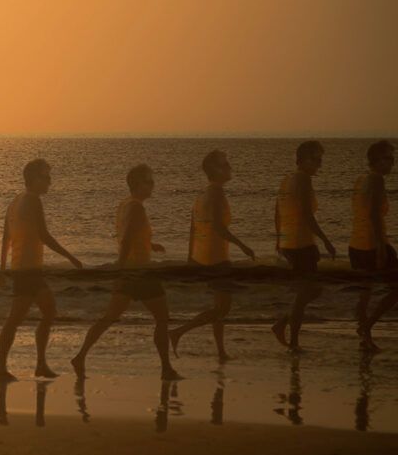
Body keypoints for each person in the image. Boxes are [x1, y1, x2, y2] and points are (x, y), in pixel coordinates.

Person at [71, 164, 181, 381]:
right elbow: (128, 238)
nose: (152, 185)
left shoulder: (126, 205)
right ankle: (166, 369)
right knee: (162, 318)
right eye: (148, 181)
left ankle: (80, 356)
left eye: (152, 180)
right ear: (137, 184)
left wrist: (151, 245)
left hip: (131, 271)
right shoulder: (136, 207)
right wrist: (120, 267)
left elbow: (129, 235)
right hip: (139, 272)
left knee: (110, 317)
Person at [0, 159, 83, 382]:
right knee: (16, 318)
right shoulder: (32, 200)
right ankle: (1, 368)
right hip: (28, 270)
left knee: (48, 311)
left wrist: (3, 269)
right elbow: (43, 235)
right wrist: (70, 256)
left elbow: (6, 238)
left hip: (23, 269)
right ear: (33, 179)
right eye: (46, 176)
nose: (50, 181)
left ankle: (39, 364)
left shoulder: (15, 201)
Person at [169, 150, 255, 361]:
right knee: (223, 308)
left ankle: (221, 352)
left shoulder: (202, 195)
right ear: (216, 170)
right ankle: (179, 331)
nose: (230, 168)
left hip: (204, 256)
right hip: (217, 258)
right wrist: (242, 245)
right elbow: (218, 228)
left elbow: (193, 229)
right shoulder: (216, 193)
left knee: (219, 306)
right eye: (226, 165)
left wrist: (191, 257)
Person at [273, 140, 335, 352]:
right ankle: (293, 341)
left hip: (291, 242)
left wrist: (279, 240)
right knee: (307, 291)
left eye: (320, 159)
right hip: (301, 243)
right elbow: (308, 216)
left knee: (312, 290)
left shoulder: (287, 179)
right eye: (315, 159)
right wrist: (326, 240)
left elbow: (277, 210)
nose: (319, 163)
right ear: (302, 159)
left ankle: (282, 325)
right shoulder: (303, 180)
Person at [349, 140, 397, 351]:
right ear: (376, 160)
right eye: (389, 158)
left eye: (393, 159)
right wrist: (380, 248)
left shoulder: (361, 179)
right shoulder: (377, 180)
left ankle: (364, 337)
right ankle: (366, 327)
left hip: (356, 244)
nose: (392, 163)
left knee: (365, 292)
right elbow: (374, 216)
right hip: (372, 244)